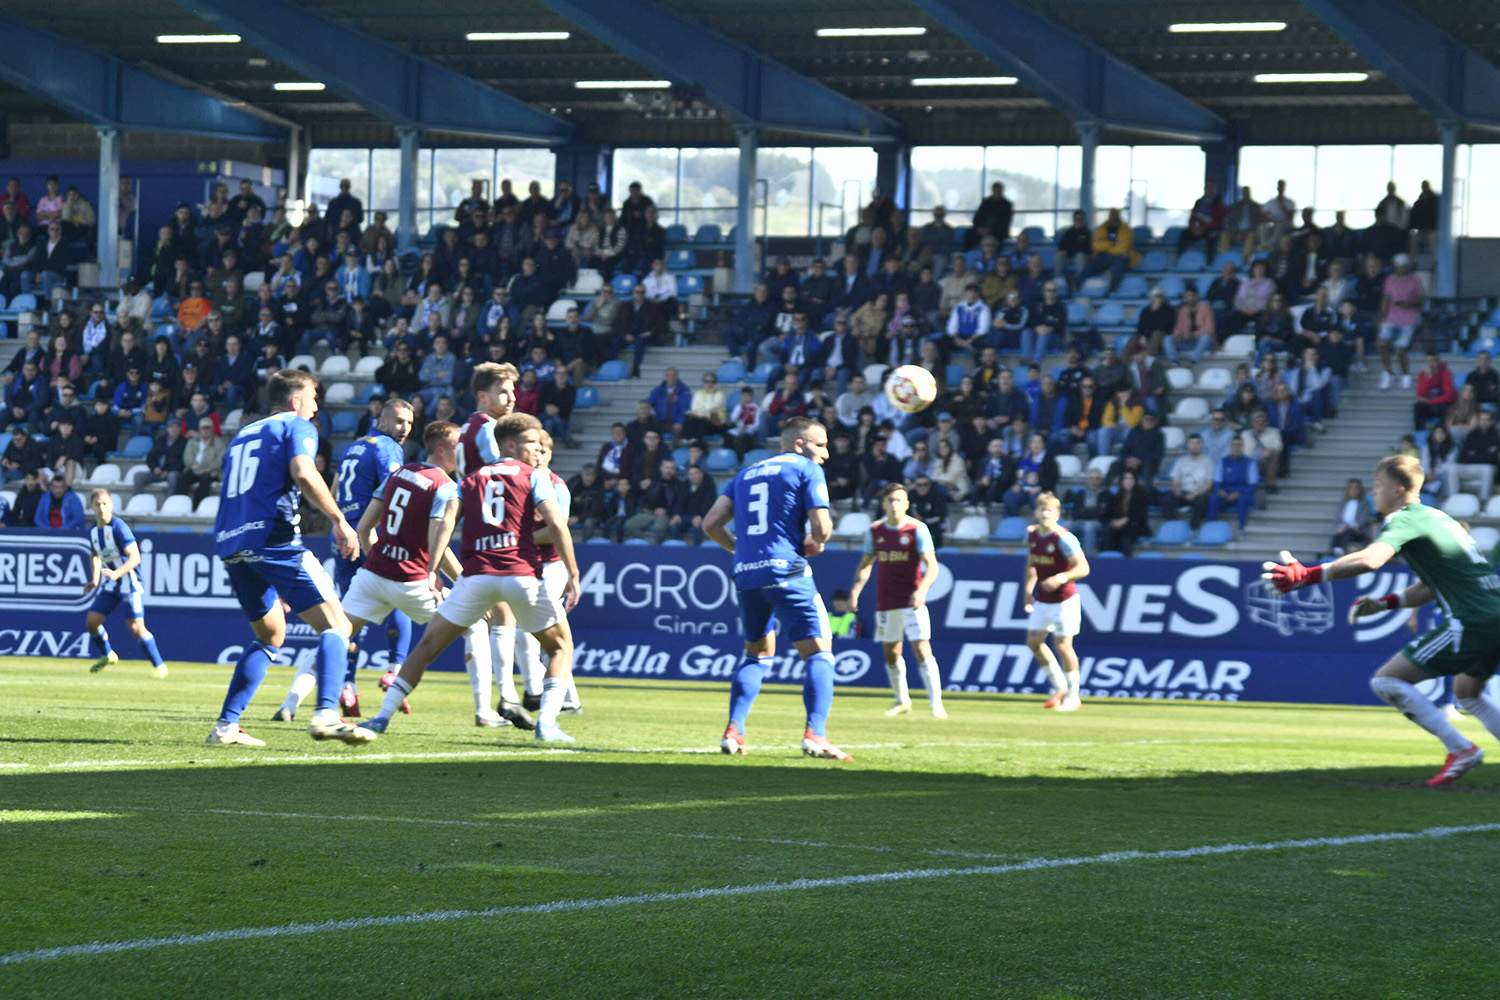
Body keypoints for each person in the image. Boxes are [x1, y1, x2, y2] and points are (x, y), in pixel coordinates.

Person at [1268, 454, 1500, 787]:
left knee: (1387, 680)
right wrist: (1387, 603)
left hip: (1472, 620)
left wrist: (1309, 575)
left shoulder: (1403, 518)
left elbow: (1371, 559)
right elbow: (1429, 587)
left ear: (1399, 489)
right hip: (1493, 613)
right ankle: (1461, 748)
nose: (1372, 492)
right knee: (1468, 692)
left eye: (1378, 485)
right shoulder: (1437, 517)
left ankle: (1460, 748)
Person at [364, 414, 582, 742]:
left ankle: (381, 717)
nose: (537, 450)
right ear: (510, 443)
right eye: (531, 443)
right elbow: (558, 524)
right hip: (520, 574)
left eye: (540, 445)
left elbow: (447, 522)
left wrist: (432, 569)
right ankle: (547, 724)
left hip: (476, 577)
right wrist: (574, 573)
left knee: (427, 646)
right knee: (561, 647)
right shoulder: (534, 476)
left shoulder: (471, 479)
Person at [205, 370, 371, 747]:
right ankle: (327, 714)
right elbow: (303, 472)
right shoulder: (297, 426)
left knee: (270, 634)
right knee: (337, 625)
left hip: (232, 541)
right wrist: (339, 520)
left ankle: (226, 727)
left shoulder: (243, 434)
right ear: (296, 400)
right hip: (274, 538)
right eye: (313, 398)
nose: (316, 407)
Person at [703, 417, 848, 761]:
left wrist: (741, 550)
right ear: (800, 444)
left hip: (747, 574)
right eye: (821, 445)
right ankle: (816, 734)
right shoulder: (806, 468)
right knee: (818, 651)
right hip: (787, 570)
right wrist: (817, 541)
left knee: (756, 653)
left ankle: (734, 731)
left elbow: (710, 524)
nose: (825, 454)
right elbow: (822, 526)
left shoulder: (744, 474)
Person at [274, 400, 414, 721]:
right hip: (370, 535)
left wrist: (338, 523)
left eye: (409, 422)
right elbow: (394, 490)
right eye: (398, 420)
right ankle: (395, 668)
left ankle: (341, 685)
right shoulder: (388, 447)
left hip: (344, 538)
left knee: (345, 620)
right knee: (401, 599)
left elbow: (335, 487)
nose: (404, 428)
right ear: (381, 418)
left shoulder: (353, 448)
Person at [455, 362, 533, 729]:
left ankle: (497, 701)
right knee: (500, 614)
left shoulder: (466, 430)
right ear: (483, 395)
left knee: (486, 617)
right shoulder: (488, 429)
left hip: (474, 529)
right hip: (492, 532)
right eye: (504, 391)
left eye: (513, 391)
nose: (512, 397)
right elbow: (501, 475)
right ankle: (506, 698)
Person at [846, 483, 946, 720]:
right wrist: (855, 592)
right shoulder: (875, 531)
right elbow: (866, 564)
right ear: (883, 504)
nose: (894, 505)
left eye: (898, 500)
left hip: (912, 600)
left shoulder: (917, 529)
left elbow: (932, 566)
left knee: (921, 648)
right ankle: (902, 700)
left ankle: (936, 704)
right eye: (890, 500)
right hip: (886, 600)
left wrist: (922, 591)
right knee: (891, 652)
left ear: (907, 504)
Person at [515, 432, 585, 715]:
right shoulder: (521, 481)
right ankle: (565, 698)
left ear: (551, 454)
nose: (539, 456)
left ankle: (536, 691)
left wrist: (518, 539)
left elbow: (558, 529)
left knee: (530, 631)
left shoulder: (557, 486)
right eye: (536, 450)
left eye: (544, 451)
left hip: (552, 566)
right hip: (527, 565)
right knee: (546, 635)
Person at [81, 489, 169, 678]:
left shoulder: (119, 527)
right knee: (92, 622)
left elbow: (135, 557)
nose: (101, 508)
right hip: (111, 585)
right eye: (97, 504)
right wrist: (94, 579)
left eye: (105, 504)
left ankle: (159, 665)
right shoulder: (93, 531)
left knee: (136, 627)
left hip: (129, 582)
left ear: (111, 505)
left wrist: (116, 573)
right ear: (92, 507)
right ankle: (108, 655)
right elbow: (95, 554)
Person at [1024, 492, 1090, 712]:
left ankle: (1073, 695)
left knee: (1063, 645)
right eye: (1041, 509)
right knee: (1033, 642)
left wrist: (1061, 577)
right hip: (1043, 599)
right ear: (1036, 512)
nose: (1045, 514)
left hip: (1065, 600)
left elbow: (1083, 568)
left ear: (1057, 514)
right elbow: (1033, 563)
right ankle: (1059, 685)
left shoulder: (1064, 538)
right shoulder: (1032, 535)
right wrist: (1028, 588)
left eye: (1049, 510)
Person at [1378, 254, 1424, 390]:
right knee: (1382, 343)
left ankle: (1405, 375)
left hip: (1408, 319)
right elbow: (1386, 299)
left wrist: (1409, 303)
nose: (1401, 268)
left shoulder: (1415, 280)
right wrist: (1382, 317)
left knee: (1400, 348)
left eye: (1403, 266)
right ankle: (1388, 372)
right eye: (1398, 266)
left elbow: (1421, 300)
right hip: (1391, 317)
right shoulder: (1390, 280)